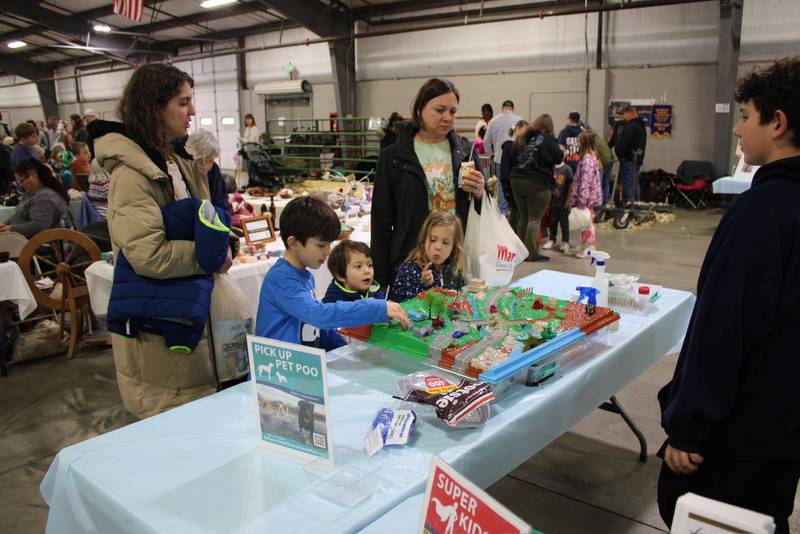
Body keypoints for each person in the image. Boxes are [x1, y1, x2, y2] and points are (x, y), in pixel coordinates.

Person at [656, 57, 800, 534]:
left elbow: (723, 328)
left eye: (745, 116)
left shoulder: (760, 213)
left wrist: (689, 425)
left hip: (738, 431)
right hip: (784, 428)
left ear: (777, 123)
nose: (737, 129)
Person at [90, 63, 231, 419]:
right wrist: (210, 256)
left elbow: (205, 219)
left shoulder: (176, 162)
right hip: (159, 332)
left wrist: (224, 242)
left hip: (183, 314)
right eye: (183, 103)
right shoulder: (132, 175)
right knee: (175, 425)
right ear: (154, 107)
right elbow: (150, 255)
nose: (192, 111)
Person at [371, 78, 485, 289]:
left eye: (452, 111)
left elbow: (483, 210)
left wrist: (480, 193)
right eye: (440, 110)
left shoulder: (466, 153)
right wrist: (380, 279)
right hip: (410, 265)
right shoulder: (393, 157)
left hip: (454, 265)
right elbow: (381, 221)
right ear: (420, 109)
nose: (447, 117)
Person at [256, 197, 409, 350]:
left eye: (329, 244)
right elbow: (318, 315)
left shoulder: (303, 274)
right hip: (278, 363)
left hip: (298, 360)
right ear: (294, 243)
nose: (328, 251)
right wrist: (376, 308)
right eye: (321, 245)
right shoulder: (281, 279)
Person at [509, 114, 564, 262]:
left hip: (516, 179)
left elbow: (512, 155)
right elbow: (559, 157)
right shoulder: (548, 139)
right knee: (534, 219)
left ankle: (520, 252)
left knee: (523, 216)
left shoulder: (524, 137)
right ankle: (532, 254)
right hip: (537, 182)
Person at [391, 210, 465, 303]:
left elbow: (460, 296)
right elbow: (405, 304)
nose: (438, 247)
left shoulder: (455, 270)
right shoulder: (408, 270)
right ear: (424, 240)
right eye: (433, 240)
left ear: (454, 247)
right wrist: (424, 284)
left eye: (445, 242)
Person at [0, 158, 69, 237]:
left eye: (21, 181)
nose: (21, 185)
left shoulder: (45, 197)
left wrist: (11, 228)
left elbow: (39, 226)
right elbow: (19, 214)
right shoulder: (32, 193)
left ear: (33, 175)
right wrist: (5, 224)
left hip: (42, 241)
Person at [483, 99, 522, 215]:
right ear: (512, 108)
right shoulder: (520, 121)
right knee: (515, 183)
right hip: (516, 160)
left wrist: (490, 155)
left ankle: (503, 211)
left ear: (502, 108)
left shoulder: (493, 121)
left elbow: (486, 141)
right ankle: (515, 210)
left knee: (500, 184)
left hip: (499, 158)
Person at [566, 131, 602, 257]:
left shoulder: (587, 160)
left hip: (586, 198)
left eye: (578, 141)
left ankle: (589, 247)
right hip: (587, 196)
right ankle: (584, 244)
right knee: (584, 222)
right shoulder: (590, 157)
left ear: (583, 143)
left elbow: (586, 181)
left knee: (587, 223)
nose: (577, 143)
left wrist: (582, 198)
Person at [186, 129, 231, 216]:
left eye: (210, 161)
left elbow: (222, 204)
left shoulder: (214, 171)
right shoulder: (185, 169)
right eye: (202, 161)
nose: (206, 166)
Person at [610, 105, 647, 204]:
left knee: (628, 183)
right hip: (638, 159)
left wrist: (622, 155)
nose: (623, 116)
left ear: (630, 113)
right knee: (635, 182)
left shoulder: (631, 126)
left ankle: (628, 204)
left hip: (629, 159)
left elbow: (625, 144)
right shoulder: (641, 126)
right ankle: (636, 203)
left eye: (624, 113)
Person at [500, 119, 529, 234]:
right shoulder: (509, 147)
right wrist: (507, 189)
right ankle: (512, 237)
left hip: (519, 186)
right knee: (515, 214)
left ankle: (514, 236)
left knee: (517, 213)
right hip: (511, 186)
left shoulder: (521, 147)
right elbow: (505, 171)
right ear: (518, 129)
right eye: (524, 131)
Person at [542, 152, 574, 254]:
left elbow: (571, 185)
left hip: (563, 202)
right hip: (553, 202)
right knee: (553, 222)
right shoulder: (550, 168)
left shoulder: (567, 169)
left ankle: (565, 241)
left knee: (564, 223)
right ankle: (552, 239)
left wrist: (568, 199)